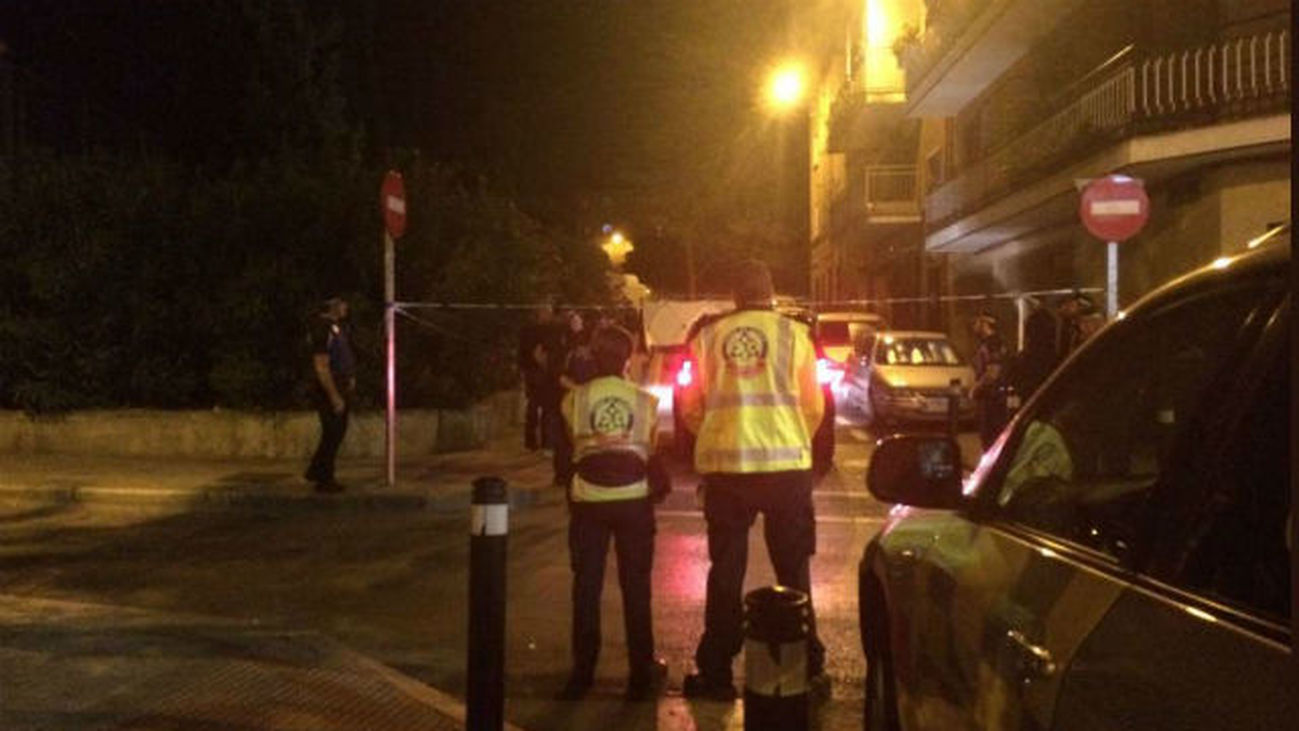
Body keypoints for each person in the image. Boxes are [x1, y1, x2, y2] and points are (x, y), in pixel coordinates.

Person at [678, 259, 828, 700]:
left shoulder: (707, 338)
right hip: (787, 470)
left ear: (735, 296)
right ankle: (808, 668)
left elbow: (690, 405)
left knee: (725, 570)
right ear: (771, 293)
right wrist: (792, 436)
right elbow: (814, 406)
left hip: (727, 472)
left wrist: (716, 434)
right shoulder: (796, 336)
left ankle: (717, 672)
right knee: (794, 569)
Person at [554, 325, 671, 701]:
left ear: (593, 356)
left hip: (589, 502)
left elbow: (570, 446)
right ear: (627, 358)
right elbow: (650, 451)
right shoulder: (643, 401)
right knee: (636, 588)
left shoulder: (575, 400)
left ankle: (582, 674)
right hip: (634, 501)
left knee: (585, 587)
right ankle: (640, 674)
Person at [304, 296, 355, 493]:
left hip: (339, 382)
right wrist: (334, 395)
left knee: (336, 431)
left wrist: (349, 378)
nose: (346, 307)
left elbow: (342, 355)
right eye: (343, 303)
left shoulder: (336, 327)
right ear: (333, 306)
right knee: (333, 432)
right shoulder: (322, 328)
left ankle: (317, 470)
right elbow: (321, 366)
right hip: (328, 386)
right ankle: (323, 478)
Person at [1003, 307, 1058, 411]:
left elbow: (1012, 387)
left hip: (1026, 407)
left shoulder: (1021, 359)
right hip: (1046, 408)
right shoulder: (1057, 360)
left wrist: (1012, 412)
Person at [517, 305, 556, 451]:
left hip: (534, 372)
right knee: (542, 407)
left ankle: (533, 441)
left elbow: (523, 353)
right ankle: (541, 441)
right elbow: (535, 353)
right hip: (539, 372)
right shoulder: (548, 332)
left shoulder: (528, 331)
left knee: (536, 407)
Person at [970, 313, 1009, 450]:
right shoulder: (990, 343)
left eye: (977, 323)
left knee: (990, 436)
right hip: (991, 396)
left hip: (992, 398)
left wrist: (976, 388)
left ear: (984, 324)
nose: (974, 327)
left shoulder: (993, 343)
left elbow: (993, 371)